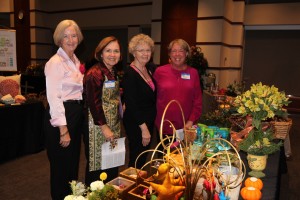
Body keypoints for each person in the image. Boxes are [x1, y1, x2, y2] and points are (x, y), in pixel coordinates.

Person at [44, 19, 84, 200]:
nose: (70, 39)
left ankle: (71, 197)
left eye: (74, 35)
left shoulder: (75, 60)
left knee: (72, 163)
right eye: (65, 36)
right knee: (60, 166)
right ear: (59, 39)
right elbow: (54, 98)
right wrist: (63, 129)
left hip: (75, 115)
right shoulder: (55, 62)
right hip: (61, 117)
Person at [83, 36, 122, 185]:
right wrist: (104, 127)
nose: (112, 54)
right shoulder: (95, 73)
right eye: (108, 51)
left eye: (116, 51)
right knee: (98, 165)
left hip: (113, 122)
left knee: (111, 161)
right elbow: (94, 103)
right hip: (98, 125)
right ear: (100, 53)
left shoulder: (112, 71)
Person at [153, 39, 202, 145]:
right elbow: (151, 97)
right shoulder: (160, 72)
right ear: (169, 54)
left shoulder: (193, 73)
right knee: (163, 158)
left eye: (181, 50)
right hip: (164, 126)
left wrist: (190, 121)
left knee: (184, 158)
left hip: (186, 127)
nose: (177, 54)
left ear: (187, 53)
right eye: (174, 51)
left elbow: (198, 101)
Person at [122, 34, 156, 169]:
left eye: (148, 50)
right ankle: (131, 186)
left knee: (142, 157)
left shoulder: (148, 69)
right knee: (136, 158)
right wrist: (144, 128)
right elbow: (131, 103)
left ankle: (138, 185)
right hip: (137, 122)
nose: (145, 53)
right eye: (141, 50)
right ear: (133, 52)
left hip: (147, 120)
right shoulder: (130, 74)